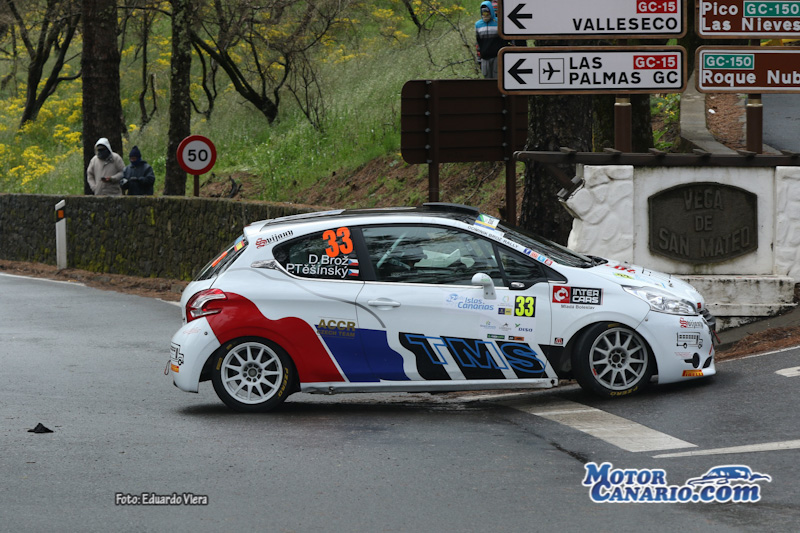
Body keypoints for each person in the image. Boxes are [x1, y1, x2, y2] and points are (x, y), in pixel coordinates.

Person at [475, 1, 525, 79]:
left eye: (487, 13)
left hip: (497, 57)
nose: (485, 15)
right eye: (483, 13)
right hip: (484, 58)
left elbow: (508, 39)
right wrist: (479, 59)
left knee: (498, 79)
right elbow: (478, 43)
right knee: (487, 80)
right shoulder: (478, 25)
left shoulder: (499, 22)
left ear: (491, 11)